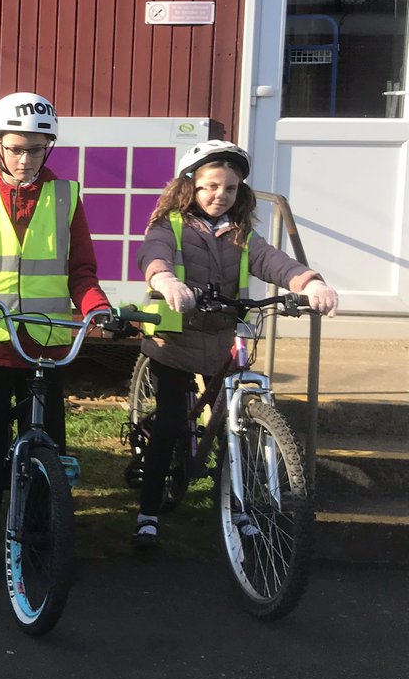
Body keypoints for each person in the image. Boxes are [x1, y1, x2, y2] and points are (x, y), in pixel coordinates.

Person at [0, 92, 112, 587]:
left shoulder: (66, 197)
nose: (25, 159)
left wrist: (96, 306)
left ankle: (39, 539)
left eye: (36, 149)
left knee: (48, 451)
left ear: (48, 149)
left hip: (47, 345)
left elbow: (81, 271)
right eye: (15, 148)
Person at [131, 139, 339, 549]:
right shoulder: (169, 225)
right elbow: (152, 256)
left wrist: (310, 282)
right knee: (171, 423)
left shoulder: (241, 233)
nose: (219, 196)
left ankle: (237, 506)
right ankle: (148, 513)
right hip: (173, 339)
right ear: (190, 185)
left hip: (222, 339)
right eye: (210, 186)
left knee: (232, 426)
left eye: (229, 188)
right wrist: (166, 280)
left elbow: (274, 261)